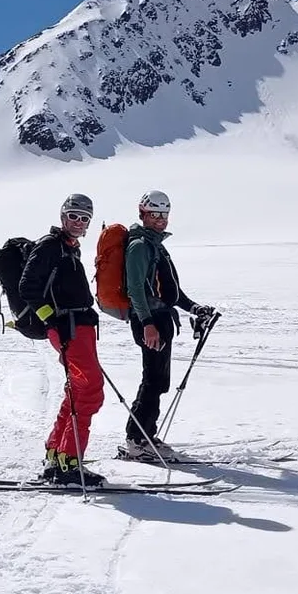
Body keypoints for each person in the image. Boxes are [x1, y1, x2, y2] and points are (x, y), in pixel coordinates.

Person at [17, 193, 109, 486]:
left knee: (77, 391)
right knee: (90, 389)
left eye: (84, 219)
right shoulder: (50, 246)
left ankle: (57, 456)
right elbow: (27, 286)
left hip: (79, 328)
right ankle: (69, 464)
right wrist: (50, 319)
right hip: (68, 328)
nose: (79, 222)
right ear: (62, 216)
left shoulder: (69, 249)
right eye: (74, 216)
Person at [118, 190, 216, 461]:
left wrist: (194, 308)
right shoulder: (139, 245)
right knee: (152, 379)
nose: (160, 219)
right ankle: (136, 440)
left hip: (160, 318)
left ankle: (146, 435)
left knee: (159, 381)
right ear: (143, 214)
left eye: (164, 214)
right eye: (155, 214)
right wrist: (147, 323)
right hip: (149, 320)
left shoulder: (156, 245)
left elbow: (171, 292)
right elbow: (135, 289)